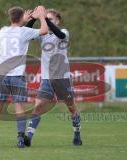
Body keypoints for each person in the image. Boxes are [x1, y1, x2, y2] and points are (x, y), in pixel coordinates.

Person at [0, 6, 48, 148]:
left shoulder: (3, 31)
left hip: (2, 75)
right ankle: (19, 140)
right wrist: (41, 16)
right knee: (19, 109)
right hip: (16, 76)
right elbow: (44, 31)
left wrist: (22, 19)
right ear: (20, 18)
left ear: (10, 18)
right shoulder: (24, 32)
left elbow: (16, 26)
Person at [25, 8, 82, 146]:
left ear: (57, 21)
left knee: (71, 107)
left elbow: (59, 34)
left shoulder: (64, 33)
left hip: (62, 78)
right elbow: (27, 32)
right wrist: (34, 18)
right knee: (38, 106)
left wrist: (43, 18)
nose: (47, 21)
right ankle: (28, 137)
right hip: (47, 78)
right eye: (47, 18)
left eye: (50, 19)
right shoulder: (43, 35)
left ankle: (77, 134)